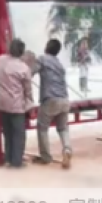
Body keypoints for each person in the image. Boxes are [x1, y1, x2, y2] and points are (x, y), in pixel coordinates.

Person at [30, 39, 73, 169]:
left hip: (50, 99)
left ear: (46, 47)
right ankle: (67, 150)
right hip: (64, 99)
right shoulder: (59, 64)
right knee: (63, 128)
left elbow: (30, 72)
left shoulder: (42, 59)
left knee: (42, 128)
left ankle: (46, 157)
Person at [0, 39, 34, 168]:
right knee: (19, 135)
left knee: (7, 133)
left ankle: (8, 159)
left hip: (2, 104)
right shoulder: (24, 68)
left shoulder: (1, 60)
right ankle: (16, 162)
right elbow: (28, 90)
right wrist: (30, 104)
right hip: (16, 105)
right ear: (22, 52)